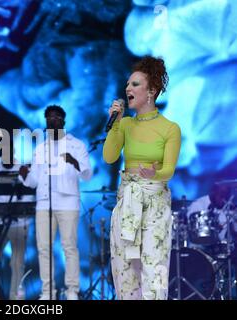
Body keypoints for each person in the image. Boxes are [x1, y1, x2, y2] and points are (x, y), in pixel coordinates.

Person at [103, 56, 181, 300]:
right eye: (128, 84)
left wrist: (154, 174)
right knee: (125, 275)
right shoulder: (125, 124)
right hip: (127, 201)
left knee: (153, 271)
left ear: (152, 91)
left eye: (135, 84)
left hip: (154, 202)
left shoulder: (170, 128)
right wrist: (115, 123)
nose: (128, 89)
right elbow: (109, 156)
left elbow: (169, 169)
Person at [19, 105, 92, 300]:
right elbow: (34, 181)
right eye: (49, 117)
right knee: (44, 248)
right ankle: (47, 292)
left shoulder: (77, 145)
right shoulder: (40, 148)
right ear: (45, 122)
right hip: (44, 204)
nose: (53, 120)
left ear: (63, 120)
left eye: (57, 117)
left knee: (69, 247)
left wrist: (75, 163)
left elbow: (87, 175)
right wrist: (24, 176)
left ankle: (72, 291)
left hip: (68, 202)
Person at [0, 149, 35, 300]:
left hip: (20, 223)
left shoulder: (24, 169)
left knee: (17, 263)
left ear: (14, 153)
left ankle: (16, 299)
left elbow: (31, 194)